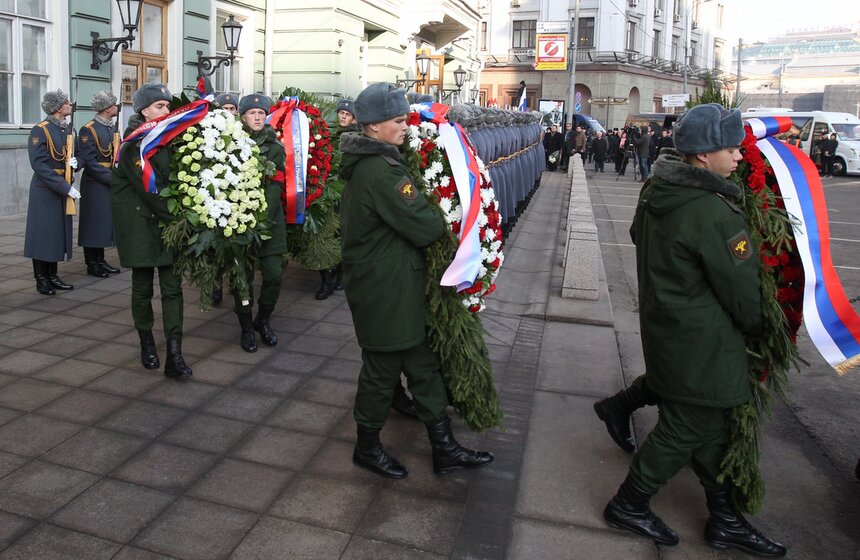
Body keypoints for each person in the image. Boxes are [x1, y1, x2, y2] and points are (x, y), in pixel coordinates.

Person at [601, 103, 786, 557]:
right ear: (703, 154)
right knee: (686, 427)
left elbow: (636, 235)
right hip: (702, 339)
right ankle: (629, 504)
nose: (739, 156)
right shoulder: (712, 211)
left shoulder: (658, 188)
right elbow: (741, 293)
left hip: (667, 325)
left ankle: (724, 519)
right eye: (731, 148)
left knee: (710, 426)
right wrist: (760, 329)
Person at [339, 82, 493, 479]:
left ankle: (444, 448)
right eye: (398, 120)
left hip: (393, 283)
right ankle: (366, 447)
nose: (406, 126)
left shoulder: (377, 162)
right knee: (381, 371)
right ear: (373, 126)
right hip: (385, 289)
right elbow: (426, 227)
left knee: (423, 366)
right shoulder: (381, 171)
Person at [112, 83, 192, 380]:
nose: (166, 110)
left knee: (173, 289)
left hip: (167, 225)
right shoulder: (133, 145)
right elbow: (151, 190)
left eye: (167, 106)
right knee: (142, 288)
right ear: (144, 111)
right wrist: (182, 221)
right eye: (160, 106)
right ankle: (146, 342)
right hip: (142, 227)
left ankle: (174, 353)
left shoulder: (168, 137)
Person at [231, 94, 288, 353]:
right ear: (243, 116)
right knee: (241, 277)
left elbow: (275, 186)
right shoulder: (230, 142)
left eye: (261, 113)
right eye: (252, 112)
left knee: (274, 274)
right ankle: (245, 326)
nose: (257, 117)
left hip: (268, 221)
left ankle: (263, 319)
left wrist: (261, 215)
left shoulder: (275, 148)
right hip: (237, 220)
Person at [24, 89, 79, 295]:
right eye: (66, 102)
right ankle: (41, 279)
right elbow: (39, 165)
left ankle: (53, 276)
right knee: (42, 235)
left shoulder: (68, 130)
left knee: (56, 234)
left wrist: (76, 163)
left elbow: (75, 156)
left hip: (62, 187)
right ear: (57, 107)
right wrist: (65, 187)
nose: (70, 104)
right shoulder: (40, 130)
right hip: (45, 190)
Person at [77, 90, 121, 278]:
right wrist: (113, 179)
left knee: (103, 222)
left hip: (108, 179)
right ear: (107, 108)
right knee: (92, 223)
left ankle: (100, 260)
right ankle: (92, 263)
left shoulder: (111, 128)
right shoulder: (89, 129)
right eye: (114, 104)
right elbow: (89, 161)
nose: (116, 107)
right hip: (95, 183)